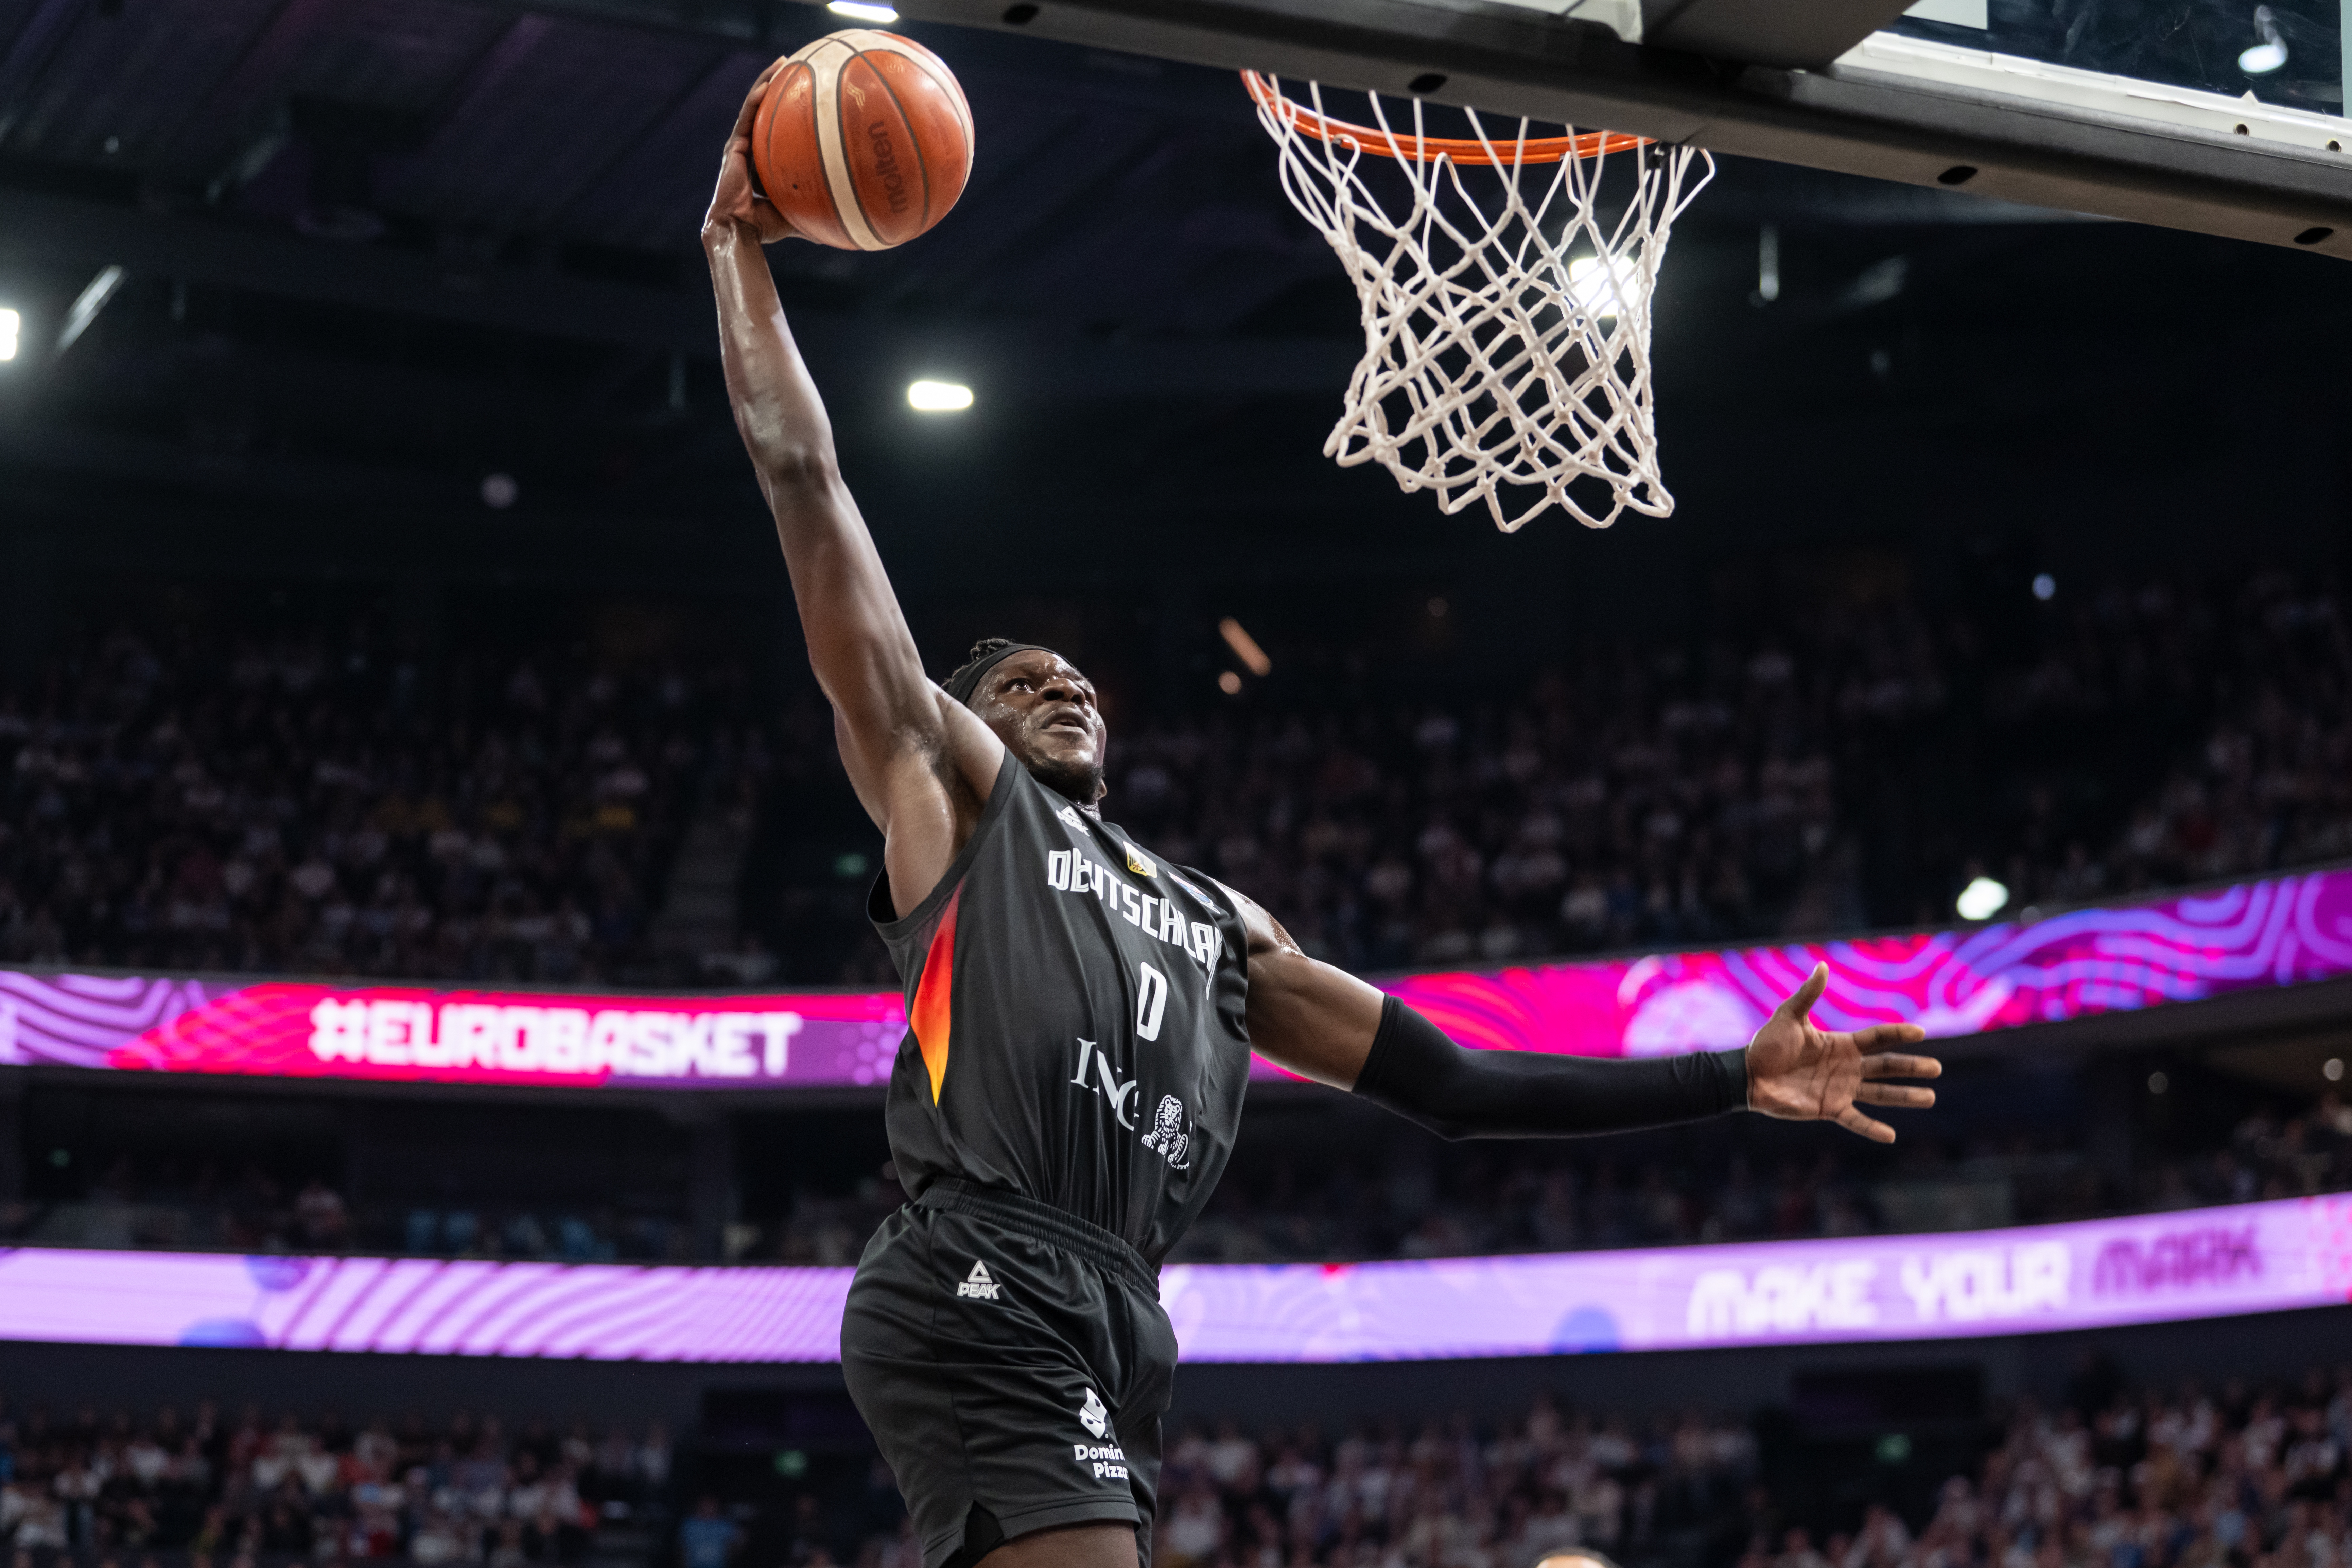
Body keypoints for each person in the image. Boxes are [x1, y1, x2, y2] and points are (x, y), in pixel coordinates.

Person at [701, 61, 1942, 1568]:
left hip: (1117, 1307)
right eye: (1026, 682)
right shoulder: (958, 801)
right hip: (980, 1267)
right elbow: (804, 475)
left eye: (1081, 673)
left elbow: (1467, 1087)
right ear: (970, 723)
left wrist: (1731, 1079)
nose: (1068, 685)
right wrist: (738, 255)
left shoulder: (1226, 928)